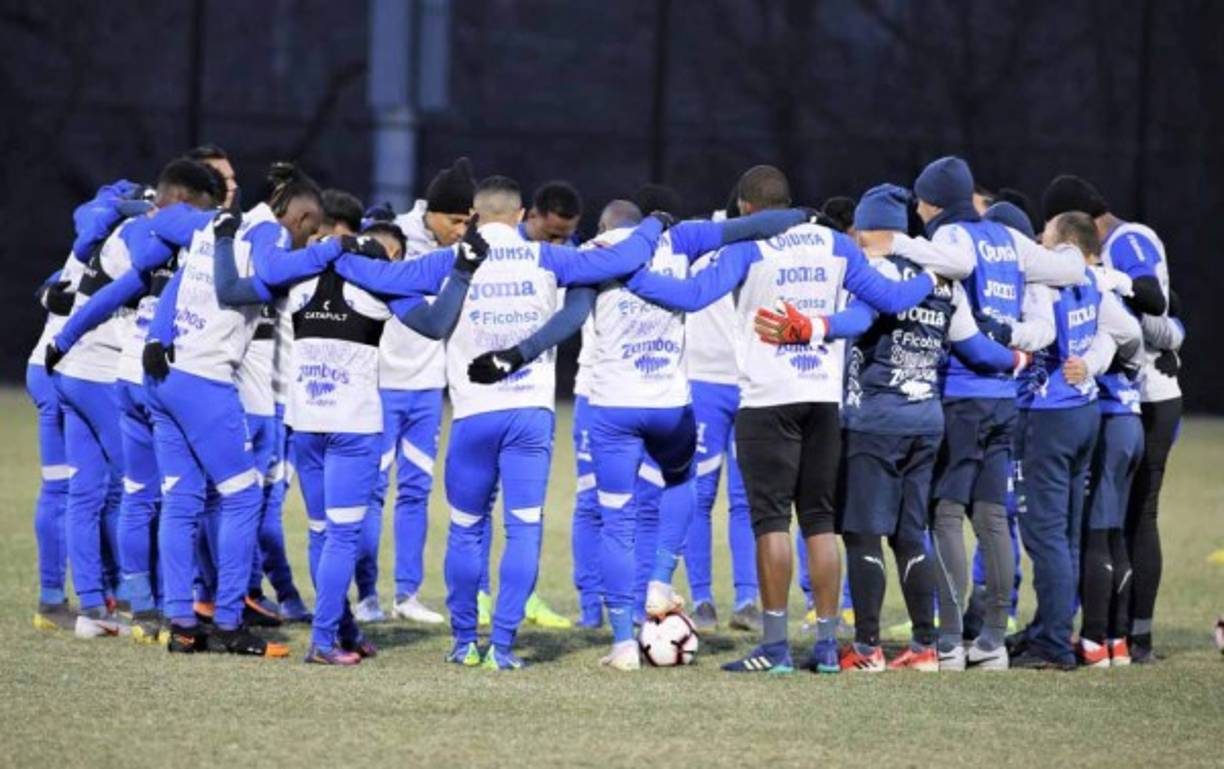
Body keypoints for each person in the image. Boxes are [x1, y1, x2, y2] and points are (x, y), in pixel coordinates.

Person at [622, 165, 970, 674]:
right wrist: (927, 279)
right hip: (823, 402)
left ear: (745, 209)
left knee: (770, 522)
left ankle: (777, 648)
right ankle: (829, 649)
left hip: (767, 401)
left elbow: (692, 296)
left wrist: (630, 276)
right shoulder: (836, 245)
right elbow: (886, 303)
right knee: (820, 523)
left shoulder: (750, 246)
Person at [338, 175, 666, 669]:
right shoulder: (545, 256)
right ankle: (505, 646)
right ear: (520, 215)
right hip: (531, 414)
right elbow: (612, 267)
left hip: (472, 414)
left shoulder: (452, 260)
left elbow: (383, 278)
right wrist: (652, 229)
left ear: (473, 214)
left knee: (467, 528)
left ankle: (465, 640)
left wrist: (335, 254)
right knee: (524, 530)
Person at [211, 206, 485, 664]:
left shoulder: (296, 282)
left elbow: (230, 289)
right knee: (341, 537)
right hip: (353, 428)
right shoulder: (379, 285)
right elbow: (437, 325)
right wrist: (462, 272)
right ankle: (322, 643)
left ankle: (345, 629)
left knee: (322, 534)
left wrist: (223, 241)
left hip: (305, 424)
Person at [143, 162, 380, 656]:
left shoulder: (219, 224)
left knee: (183, 499)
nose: (306, 242)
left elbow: (180, 277)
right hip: (205, 381)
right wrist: (334, 249)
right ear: (302, 216)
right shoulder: (269, 232)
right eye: (310, 231)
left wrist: (157, 335)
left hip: (166, 376)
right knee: (244, 497)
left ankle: (182, 624)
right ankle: (229, 621)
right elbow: (270, 272)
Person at [821, 185, 1026, 673]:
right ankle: (925, 645)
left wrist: (813, 326)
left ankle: (867, 649)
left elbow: (854, 320)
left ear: (868, 229)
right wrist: (1017, 358)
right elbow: (977, 350)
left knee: (864, 534)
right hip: (927, 422)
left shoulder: (868, 274)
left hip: (875, 422)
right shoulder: (942, 282)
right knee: (912, 533)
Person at [912, 156, 1086, 671]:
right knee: (990, 515)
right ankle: (991, 641)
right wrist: (1015, 338)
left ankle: (947, 641)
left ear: (935, 201)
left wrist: (889, 244)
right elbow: (1070, 268)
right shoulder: (1007, 239)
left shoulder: (952, 240)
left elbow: (943, 278)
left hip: (960, 393)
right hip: (1005, 399)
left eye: (921, 200)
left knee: (945, 514)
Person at [48, 160, 225, 641]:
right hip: (113, 370)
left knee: (92, 491)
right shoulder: (145, 235)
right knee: (155, 492)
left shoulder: (114, 224)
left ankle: (94, 605)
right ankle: (154, 603)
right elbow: (141, 276)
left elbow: (74, 272)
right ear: (185, 204)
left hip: (81, 367)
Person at [1042, 174, 1176, 664]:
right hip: (1129, 401)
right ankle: (1121, 637)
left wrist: (1156, 340)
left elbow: (1161, 313)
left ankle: (1117, 637)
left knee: (1120, 520)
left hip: (1138, 400)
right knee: (1118, 522)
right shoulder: (1107, 274)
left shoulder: (1126, 243)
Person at [1010, 211, 1142, 670]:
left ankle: (1051, 641)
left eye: (1044, 235)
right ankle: (1055, 628)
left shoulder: (1044, 282)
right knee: (1065, 533)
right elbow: (1126, 332)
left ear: (1060, 242)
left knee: (1046, 533)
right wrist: (1091, 362)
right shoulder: (1090, 279)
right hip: (1084, 412)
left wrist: (1001, 333)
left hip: (1049, 415)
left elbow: (1042, 332)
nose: (1038, 241)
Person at [352, 159, 475, 626]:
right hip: (380, 384)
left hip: (427, 389)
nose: (462, 231)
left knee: (417, 491)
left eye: (468, 221)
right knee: (372, 492)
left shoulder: (465, 249)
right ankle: (366, 595)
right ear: (432, 214)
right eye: (455, 221)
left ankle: (408, 593)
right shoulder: (395, 235)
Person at [28, 180, 144, 632]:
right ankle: (104, 596)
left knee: (81, 489)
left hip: (54, 364)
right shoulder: (121, 237)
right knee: (102, 488)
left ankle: (76, 598)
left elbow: (56, 287)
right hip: (68, 368)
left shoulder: (93, 241)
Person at [683, 195, 762, 633]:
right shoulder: (700, 236)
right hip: (706, 381)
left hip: (752, 385)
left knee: (746, 498)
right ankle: (702, 600)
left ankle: (747, 599)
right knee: (699, 494)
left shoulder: (771, 242)